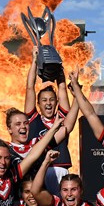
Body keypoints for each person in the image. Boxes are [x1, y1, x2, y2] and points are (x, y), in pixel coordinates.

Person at [0, 85, 77, 192]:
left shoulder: (38, 143)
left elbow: (67, 127)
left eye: (26, 123)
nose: (23, 126)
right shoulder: (3, 147)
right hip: (13, 199)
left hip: (36, 199)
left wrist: (77, 97)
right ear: (9, 129)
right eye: (18, 124)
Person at [25, 46, 73, 194]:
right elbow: (29, 88)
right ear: (38, 104)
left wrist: (59, 69)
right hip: (39, 170)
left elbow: (63, 90)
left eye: (52, 100)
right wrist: (34, 61)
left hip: (60, 169)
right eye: (44, 100)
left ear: (56, 102)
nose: (48, 103)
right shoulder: (33, 120)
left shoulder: (62, 119)